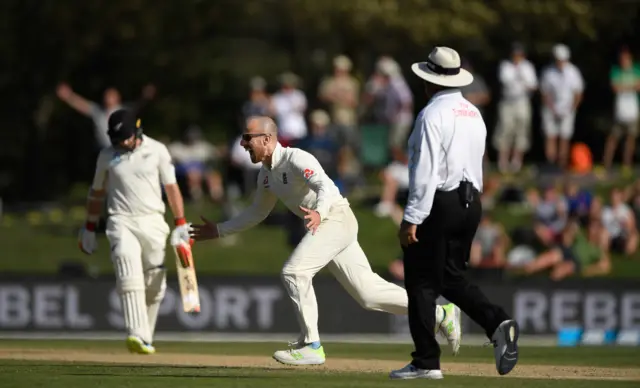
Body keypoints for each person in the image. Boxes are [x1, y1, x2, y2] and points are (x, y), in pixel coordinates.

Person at [189, 116, 463, 366]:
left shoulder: (297, 158)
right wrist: (220, 230)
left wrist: (319, 213)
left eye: (248, 138)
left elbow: (326, 187)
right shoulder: (266, 175)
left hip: (335, 218)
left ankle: (312, 344)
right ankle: (440, 314)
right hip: (327, 225)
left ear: (267, 139)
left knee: (294, 272)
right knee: (369, 294)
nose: (243, 143)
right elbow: (257, 212)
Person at [392, 47, 518, 380]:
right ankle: (497, 322)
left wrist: (412, 217)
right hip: (470, 203)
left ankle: (425, 362)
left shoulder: (431, 115)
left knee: (420, 281)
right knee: (449, 277)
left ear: (428, 81)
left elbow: (425, 170)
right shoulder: (473, 113)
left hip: (440, 202)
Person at [78, 108, 191, 354]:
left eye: (126, 137)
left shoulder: (157, 150)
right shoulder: (107, 155)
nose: (122, 142)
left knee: (155, 285)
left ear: (138, 130)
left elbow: (171, 188)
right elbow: (97, 193)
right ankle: (135, 334)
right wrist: (89, 226)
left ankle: (145, 337)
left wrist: (181, 222)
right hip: (121, 220)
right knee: (127, 267)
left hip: (152, 221)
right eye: (117, 139)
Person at [56, 83, 156, 149]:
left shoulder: (123, 110)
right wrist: (68, 96)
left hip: (123, 150)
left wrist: (146, 96)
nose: (107, 98)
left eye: (111, 95)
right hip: (105, 150)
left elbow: (138, 105)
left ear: (117, 98)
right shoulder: (99, 111)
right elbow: (82, 105)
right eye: (106, 95)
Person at [493, 43, 538, 174]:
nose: (517, 57)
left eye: (519, 54)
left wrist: (521, 79)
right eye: (515, 54)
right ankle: (502, 162)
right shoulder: (505, 66)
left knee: (522, 130)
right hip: (507, 102)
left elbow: (533, 85)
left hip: (522, 102)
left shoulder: (528, 67)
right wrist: (521, 80)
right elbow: (506, 81)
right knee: (505, 129)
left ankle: (516, 162)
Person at [539, 44, 584, 169]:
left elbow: (578, 93)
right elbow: (544, 93)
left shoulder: (573, 72)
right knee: (550, 135)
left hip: (568, 108)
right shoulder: (548, 72)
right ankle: (551, 162)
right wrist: (552, 108)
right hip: (551, 108)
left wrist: (571, 109)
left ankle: (561, 163)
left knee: (565, 136)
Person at [602, 47, 640, 176]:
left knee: (630, 139)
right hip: (620, 110)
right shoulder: (616, 71)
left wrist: (625, 86)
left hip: (633, 110)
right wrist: (631, 86)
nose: (624, 61)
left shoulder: (636, 70)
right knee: (613, 138)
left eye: (626, 59)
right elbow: (615, 87)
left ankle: (627, 164)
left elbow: (638, 86)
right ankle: (606, 164)